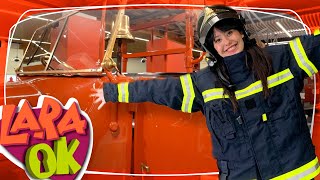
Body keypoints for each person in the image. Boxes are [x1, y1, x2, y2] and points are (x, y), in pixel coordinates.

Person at [91, 5, 320, 179]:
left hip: (294, 170)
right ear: (213, 48)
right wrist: (113, 93)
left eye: (229, 33)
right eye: (218, 40)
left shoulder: (280, 59)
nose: (226, 42)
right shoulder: (205, 82)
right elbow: (160, 89)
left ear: (241, 32)